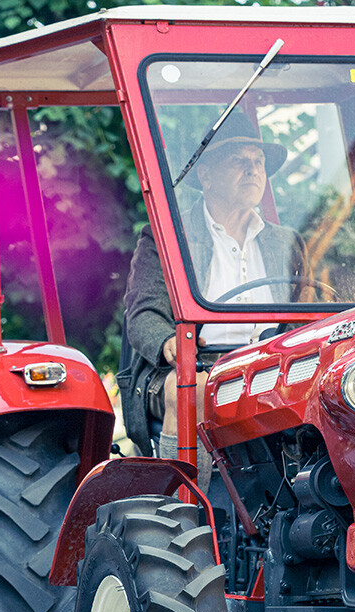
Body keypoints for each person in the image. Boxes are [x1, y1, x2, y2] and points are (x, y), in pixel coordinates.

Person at [121, 114, 306, 459]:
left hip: (272, 364)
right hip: (197, 365)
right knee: (191, 390)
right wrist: (168, 343)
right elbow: (144, 313)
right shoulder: (168, 237)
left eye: (258, 162)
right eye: (239, 161)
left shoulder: (286, 242)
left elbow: (306, 313)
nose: (252, 170)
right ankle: (182, 506)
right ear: (205, 175)